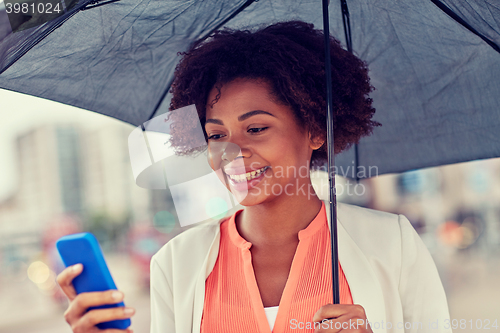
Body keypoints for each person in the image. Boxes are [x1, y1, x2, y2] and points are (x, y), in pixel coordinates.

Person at [57, 21, 451, 333]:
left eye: (257, 128)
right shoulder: (176, 264)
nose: (233, 151)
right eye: (215, 135)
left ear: (315, 130)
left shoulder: (393, 245)